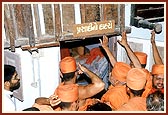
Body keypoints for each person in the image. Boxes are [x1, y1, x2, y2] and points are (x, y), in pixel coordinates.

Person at [34, 56, 105, 110]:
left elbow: (37, 101)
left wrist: (48, 101)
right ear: (76, 73)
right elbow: (100, 84)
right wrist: (86, 70)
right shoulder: (80, 91)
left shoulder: (59, 90)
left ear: (61, 74)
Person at [99, 36, 131, 110]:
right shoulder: (125, 86)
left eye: (112, 74)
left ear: (116, 81)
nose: (110, 73)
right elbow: (116, 65)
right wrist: (106, 48)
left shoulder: (113, 96)